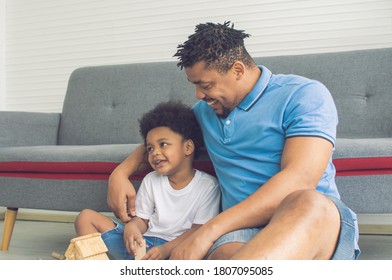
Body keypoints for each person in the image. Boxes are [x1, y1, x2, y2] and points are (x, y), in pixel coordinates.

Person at [107, 21, 360, 260]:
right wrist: (119, 174)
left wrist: (208, 230)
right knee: (225, 258)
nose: (198, 94)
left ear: (237, 70)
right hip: (241, 231)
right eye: (194, 85)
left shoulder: (302, 94)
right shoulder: (204, 112)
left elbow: (300, 179)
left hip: (312, 219)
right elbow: (164, 140)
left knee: (306, 200)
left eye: (205, 85)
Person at [75, 101, 220, 260]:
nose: (155, 153)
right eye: (150, 148)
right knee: (85, 217)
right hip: (143, 247)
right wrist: (133, 227)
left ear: (188, 148)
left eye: (163, 144)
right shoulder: (151, 179)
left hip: (177, 250)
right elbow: (142, 220)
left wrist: (165, 249)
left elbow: (198, 230)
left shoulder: (208, 186)